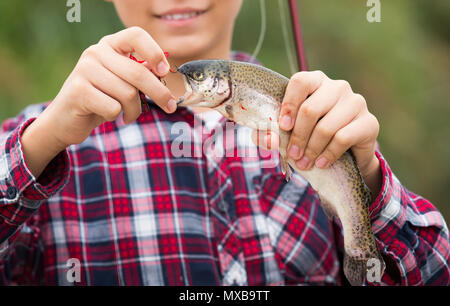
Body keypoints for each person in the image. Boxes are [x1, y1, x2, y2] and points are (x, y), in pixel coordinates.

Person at [0, 0, 448, 285]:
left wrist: (367, 181)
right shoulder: (43, 143)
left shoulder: (319, 119)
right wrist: (42, 143)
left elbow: (436, 271)